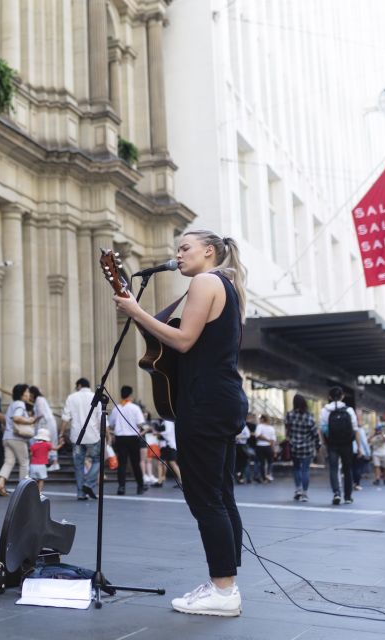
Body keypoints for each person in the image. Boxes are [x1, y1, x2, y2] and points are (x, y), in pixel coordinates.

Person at [115, 229, 248, 617]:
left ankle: (223, 592)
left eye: (185, 247)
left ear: (209, 251)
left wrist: (136, 312)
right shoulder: (225, 285)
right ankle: (226, 584)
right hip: (220, 400)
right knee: (220, 495)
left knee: (205, 498)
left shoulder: (206, 281)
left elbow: (185, 340)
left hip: (205, 403)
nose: (178, 254)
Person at [61, 377, 102, 501]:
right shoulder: (96, 397)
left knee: (78, 464)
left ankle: (80, 493)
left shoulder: (71, 397)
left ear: (79, 385)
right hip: (93, 435)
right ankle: (88, 483)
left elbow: (65, 418)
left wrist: (61, 433)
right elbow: (101, 418)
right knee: (97, 460)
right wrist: (107, 434)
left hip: (77, 436)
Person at [319, 386, 360, 505]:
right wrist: (360, 447)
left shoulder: (325, 410)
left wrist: (324, 443)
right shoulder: (349, 410)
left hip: (332, 444)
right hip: (347, 444)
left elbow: (322, 429)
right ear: (342, 396)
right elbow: (355, 429)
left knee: (333, 468)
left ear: (330, 397)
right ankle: (348, 496)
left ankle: (336, 493)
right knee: (347, 470)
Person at [0, 383, 36, 497]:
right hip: (17, 438)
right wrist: (30, 420)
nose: (28, 394)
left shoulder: (12, 404)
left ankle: (0, 484)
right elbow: (16, 418)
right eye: (27, 392)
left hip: (7, 437)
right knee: (24, 463)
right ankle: (23, 490)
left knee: (9, 462)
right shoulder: (20, 404)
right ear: (22, 394)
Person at [108, 385, 147, 495]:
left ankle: (121, 487)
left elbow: (111, 425)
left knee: (122, 464)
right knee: (135, 463)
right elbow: (141, 424)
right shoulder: (135, 408)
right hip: (133, 438)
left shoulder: (116, 408)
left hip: (120, 439)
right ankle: (140, 486)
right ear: (130, 395)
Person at [285, 394, 319, 502]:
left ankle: (298, 490)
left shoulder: (290, 415)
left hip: (294, 446)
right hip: (307, 447)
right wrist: (317, 445)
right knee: (305, 470)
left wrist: (290, 439)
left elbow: (287, 430)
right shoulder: (309, 416)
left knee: (296, 468)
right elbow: (314, 433)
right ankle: (304, 494)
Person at [29, 386, 58, 471]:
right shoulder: (40, 400)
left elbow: (40, 413)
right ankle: (52, 463)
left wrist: (33, 420)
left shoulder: (39, 400)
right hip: (46, 424)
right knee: (49, 443)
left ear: (33, 393)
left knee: (49, 443)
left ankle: (54, 463)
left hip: (46, 425)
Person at [29, 428, 56, 493]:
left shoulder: (33, 445)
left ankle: (33, 492)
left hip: (33, 464)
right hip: (42, 465)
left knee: (33, 479)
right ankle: (39, 492)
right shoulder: (47, 444)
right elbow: (55, 448)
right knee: (41, 479)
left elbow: (31, 454)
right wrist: (61, 444)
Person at [156, 419, 181, 487]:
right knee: (169, 463)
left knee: (166, 463)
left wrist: (158, 433)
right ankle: (160, 480)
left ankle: (160, 481)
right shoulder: (165, 421)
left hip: (168, 446)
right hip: (166, 446)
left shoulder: (167, 421)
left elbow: (168, 432)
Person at [253, 415, 277, 483]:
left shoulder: (260, 426)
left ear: (263, 419)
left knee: (262, 463)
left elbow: (257, 435)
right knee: (270, 462)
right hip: (269, 446)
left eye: (260, 419)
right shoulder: (271, 428)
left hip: (260, 446)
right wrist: (273, 449)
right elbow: (273, 440)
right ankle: (269, 474)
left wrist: (266, 440)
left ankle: (264, 477)